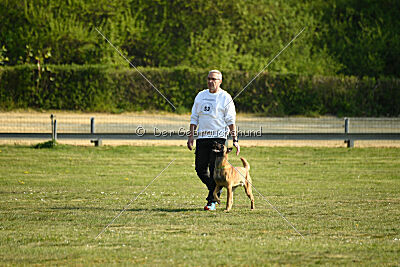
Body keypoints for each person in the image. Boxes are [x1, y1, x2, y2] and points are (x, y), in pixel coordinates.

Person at [187, 70, 240, 210]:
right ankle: (216, 188)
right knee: (200, 169)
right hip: (202, 137)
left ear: (220, 81)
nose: (211, 81)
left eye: (214, 79)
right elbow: (194, 117)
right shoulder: (200, 95)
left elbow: (230, 121)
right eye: (209, 79)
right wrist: (191, 136)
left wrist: (235, 140)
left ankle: (212, 201)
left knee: (214, 169)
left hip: (219, 139)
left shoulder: (225, 97)